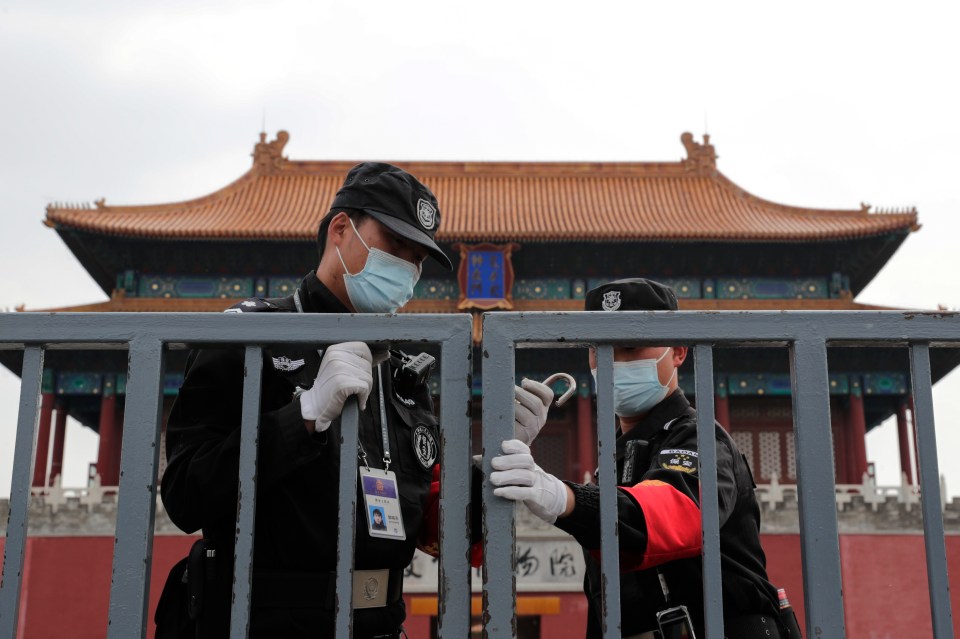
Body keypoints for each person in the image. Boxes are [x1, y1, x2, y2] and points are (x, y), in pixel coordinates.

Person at [155, 162, 509, 638]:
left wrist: (492, 472)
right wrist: (299, 418)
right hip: (265, 619)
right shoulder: (246, 336)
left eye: (418, 259)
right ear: (341, 230)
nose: (407, 269)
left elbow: (428, 523)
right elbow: (184, 495)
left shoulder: (405, 368)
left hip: (380, 621)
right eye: (394, 246)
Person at [490, 278, 802, 638]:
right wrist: (502, 449)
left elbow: (675, 512)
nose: (615, 362)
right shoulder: (618, 453)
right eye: (600, 349)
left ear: (679, 351)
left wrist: (566, 498)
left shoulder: (700, 436)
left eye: (632, 346)